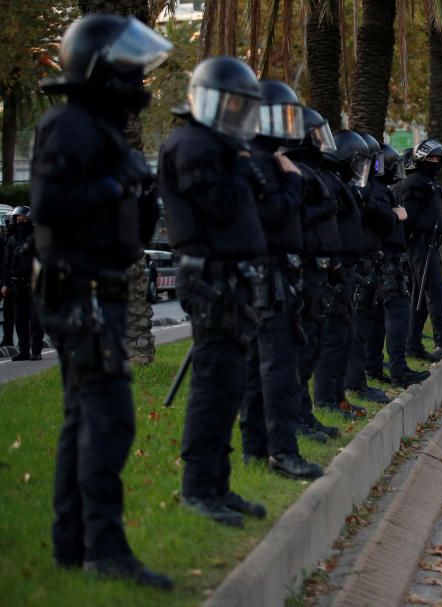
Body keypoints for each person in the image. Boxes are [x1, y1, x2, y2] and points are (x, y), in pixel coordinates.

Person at [31, 14, 173, 588]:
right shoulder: (70, 128)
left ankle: (72, 546)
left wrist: (137, 191)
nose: (139, 80)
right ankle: (104, 549)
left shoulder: (102, 130)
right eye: (131, 68)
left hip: (98, 292)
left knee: (80, 421)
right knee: (108, 422)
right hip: (82, 295)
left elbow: (130, 229)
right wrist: (120, 184)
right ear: (101, 67)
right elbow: (50, 207)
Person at [159, 55, 272, 526]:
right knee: (212, 384)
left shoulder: (218, 147)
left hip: (231, 278)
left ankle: (218, 485)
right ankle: (197, 489)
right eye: (231, 107)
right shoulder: (193, 146)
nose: (237, 119)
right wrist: (242, 166)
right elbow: (222, 206)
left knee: (228, 387)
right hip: (210, 278)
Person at [238, 80, 325, 480]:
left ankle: (256, 450)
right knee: (277, 368)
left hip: (272, 273)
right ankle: (281, 452)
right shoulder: (260, 162)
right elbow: (275, 214)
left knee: (262, 365)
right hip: (268, 274)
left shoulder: (263, 158)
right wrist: (291, 179)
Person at [279, 107, 344, 441]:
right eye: (316, 134)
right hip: (304, 270)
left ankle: (305, 415)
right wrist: (326, 207)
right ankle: (297, 419)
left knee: (314, 345)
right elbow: (297, 216)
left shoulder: (314, 172)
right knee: (302, 351)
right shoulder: (298, 172)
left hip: (321, 272)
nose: (323, 142)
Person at [364, 144, 431, 387]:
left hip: (385, 260)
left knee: (379, 316)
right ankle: (398, 369)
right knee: (398, 315)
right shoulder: (379, 190)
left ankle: (373, 366)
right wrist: (397, 215)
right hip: (387, 262)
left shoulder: (378, 188)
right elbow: (381, 219)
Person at [399, 139, 442, 367]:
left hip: (429, 245)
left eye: (439, 158)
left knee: (420, 298)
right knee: (436, 295)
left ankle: (413, 345)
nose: (436, 162)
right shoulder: (414, 183)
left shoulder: (429, 182)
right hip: (419, 246)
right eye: (432, 158)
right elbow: (406, 219)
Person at [343, 133, 392, 404]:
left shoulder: (366, 188)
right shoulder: (357, 189)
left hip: (369, 260)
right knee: (357, 326)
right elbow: (384, 220)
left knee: (370, 322)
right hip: (357, 262)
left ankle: (364, 373)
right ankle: (355, 381)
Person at [1, 206, 43, 360]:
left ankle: (36, 350)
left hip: (32, 285)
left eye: (22, 218)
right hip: (16, 285)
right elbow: (7, 263)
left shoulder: (36, 238)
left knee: (35, 318)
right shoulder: (11, 240)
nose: (19, 220)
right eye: (17, 218)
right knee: (20, 318)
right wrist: (5, 283)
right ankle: (23, 350)